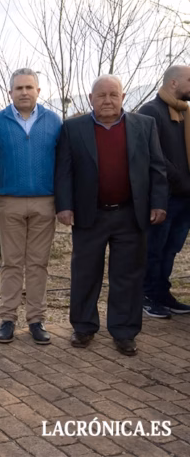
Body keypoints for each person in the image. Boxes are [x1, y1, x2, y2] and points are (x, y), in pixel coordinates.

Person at [55, 74, 168, 356]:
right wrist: (64, 205)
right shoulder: (73, 128)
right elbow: (64, 171)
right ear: (90, 99)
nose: (107, 100)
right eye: (101, 95)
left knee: (127, 277)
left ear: (123, 98)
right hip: (89, 215)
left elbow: (157, 168)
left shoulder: (145, 125)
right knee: (85, 274)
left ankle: (125, 332)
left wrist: (158, 203)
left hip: (131, 214)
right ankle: (83, 327)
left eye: (113, 94)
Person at [0, 68, 62, 344]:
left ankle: (36, 320)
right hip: (9, 202)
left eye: (29, 87)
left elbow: (63, 162)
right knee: (11, 263)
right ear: (10, 92)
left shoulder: (53, 121)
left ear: (38, 91)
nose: (24, 92)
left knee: (38, 263)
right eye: (19, 88)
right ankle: (7, 318)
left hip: (45, 202)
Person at [140, 65, 190, 318]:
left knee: (171, 250)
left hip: (185, 198)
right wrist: (180, 179)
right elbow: (153, 154)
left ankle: (163, 294)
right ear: (173, 83)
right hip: (164, 197)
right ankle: (146, 295)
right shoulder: (150, 111)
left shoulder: (184, 112)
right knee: (154, 250)